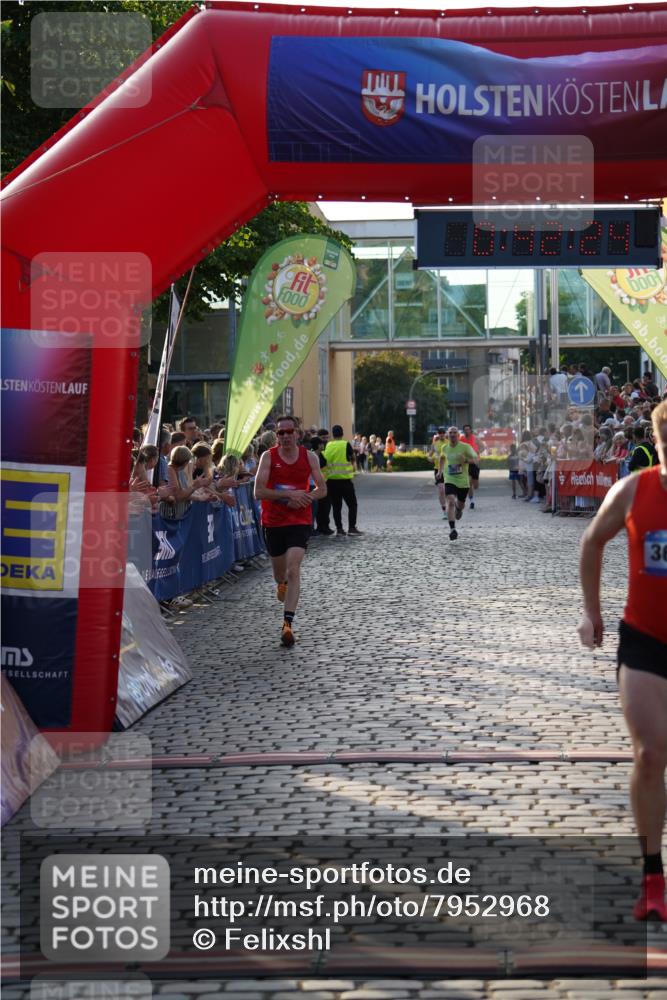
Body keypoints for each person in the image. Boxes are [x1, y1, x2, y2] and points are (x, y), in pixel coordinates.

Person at [577, 400, 667, 921]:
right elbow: (592, 541)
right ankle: (652, 876)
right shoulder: (634, 490)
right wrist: (592, 613)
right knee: (651, 755)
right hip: (645, 640)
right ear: (657, 444)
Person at [254, 414, 327, 647]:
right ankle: (281, 583)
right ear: (277, 436)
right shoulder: (269, 457)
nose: (285, 436)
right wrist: (288, 495)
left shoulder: (310, 457)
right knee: (280, 574)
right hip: (274, 522)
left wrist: (306, 497)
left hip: (299, 520)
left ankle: (287, 625)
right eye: (281, 433)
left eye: (289, 432)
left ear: (298, 433)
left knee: (294, 569)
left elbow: (322, 489)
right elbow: (258, 491)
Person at [438, 426, 477, 540]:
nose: (453, 435)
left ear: (458, 435)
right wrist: (440, 472)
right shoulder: (445, 447)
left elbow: (475, 459)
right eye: (450, 433)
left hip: (463, 482)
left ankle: (458, 509)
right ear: (448, 435)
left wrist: (465, 460)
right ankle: (452, 529)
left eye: (455, 433)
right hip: (449, 479)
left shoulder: (465, 447)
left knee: (460, 506)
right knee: (450, 501)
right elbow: (442, 458)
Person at [323, 425, 363, 536]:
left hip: (331, 481)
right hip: (345, 481)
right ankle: (351, 528)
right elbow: (352, 458)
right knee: (352, 505)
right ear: (342, 433)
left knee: (336, 506)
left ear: (333, 434)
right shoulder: (346, 444)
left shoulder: (328, 445)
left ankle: (339, 529)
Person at [460, 424, 482, 509]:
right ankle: (472, 501)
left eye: (468, 429)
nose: (466, 431)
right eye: (465, 429)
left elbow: (482, 447)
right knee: (469, 483)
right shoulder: (461, 439)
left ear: (470, 430)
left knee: (475, 485)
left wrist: (477, 452)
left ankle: (474, 484)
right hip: (466, 463)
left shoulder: (475, 438)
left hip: (475, 462)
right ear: (463, 431)